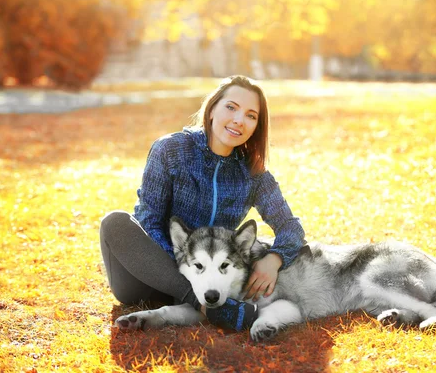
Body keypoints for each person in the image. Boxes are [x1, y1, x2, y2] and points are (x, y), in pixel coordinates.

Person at [99, 75, 306, 331]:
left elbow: (291, 228)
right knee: (115, 222)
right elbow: (148, 222)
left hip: (212, 286)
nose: (238, 120)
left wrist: (274, 259)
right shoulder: (171, 150)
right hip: (151, 277)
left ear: (256, 127)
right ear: (211, 110)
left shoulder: (254, 174)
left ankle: (206, 306)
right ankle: (212, 310)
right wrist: (185, 273)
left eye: (251, 116)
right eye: (231, 107)